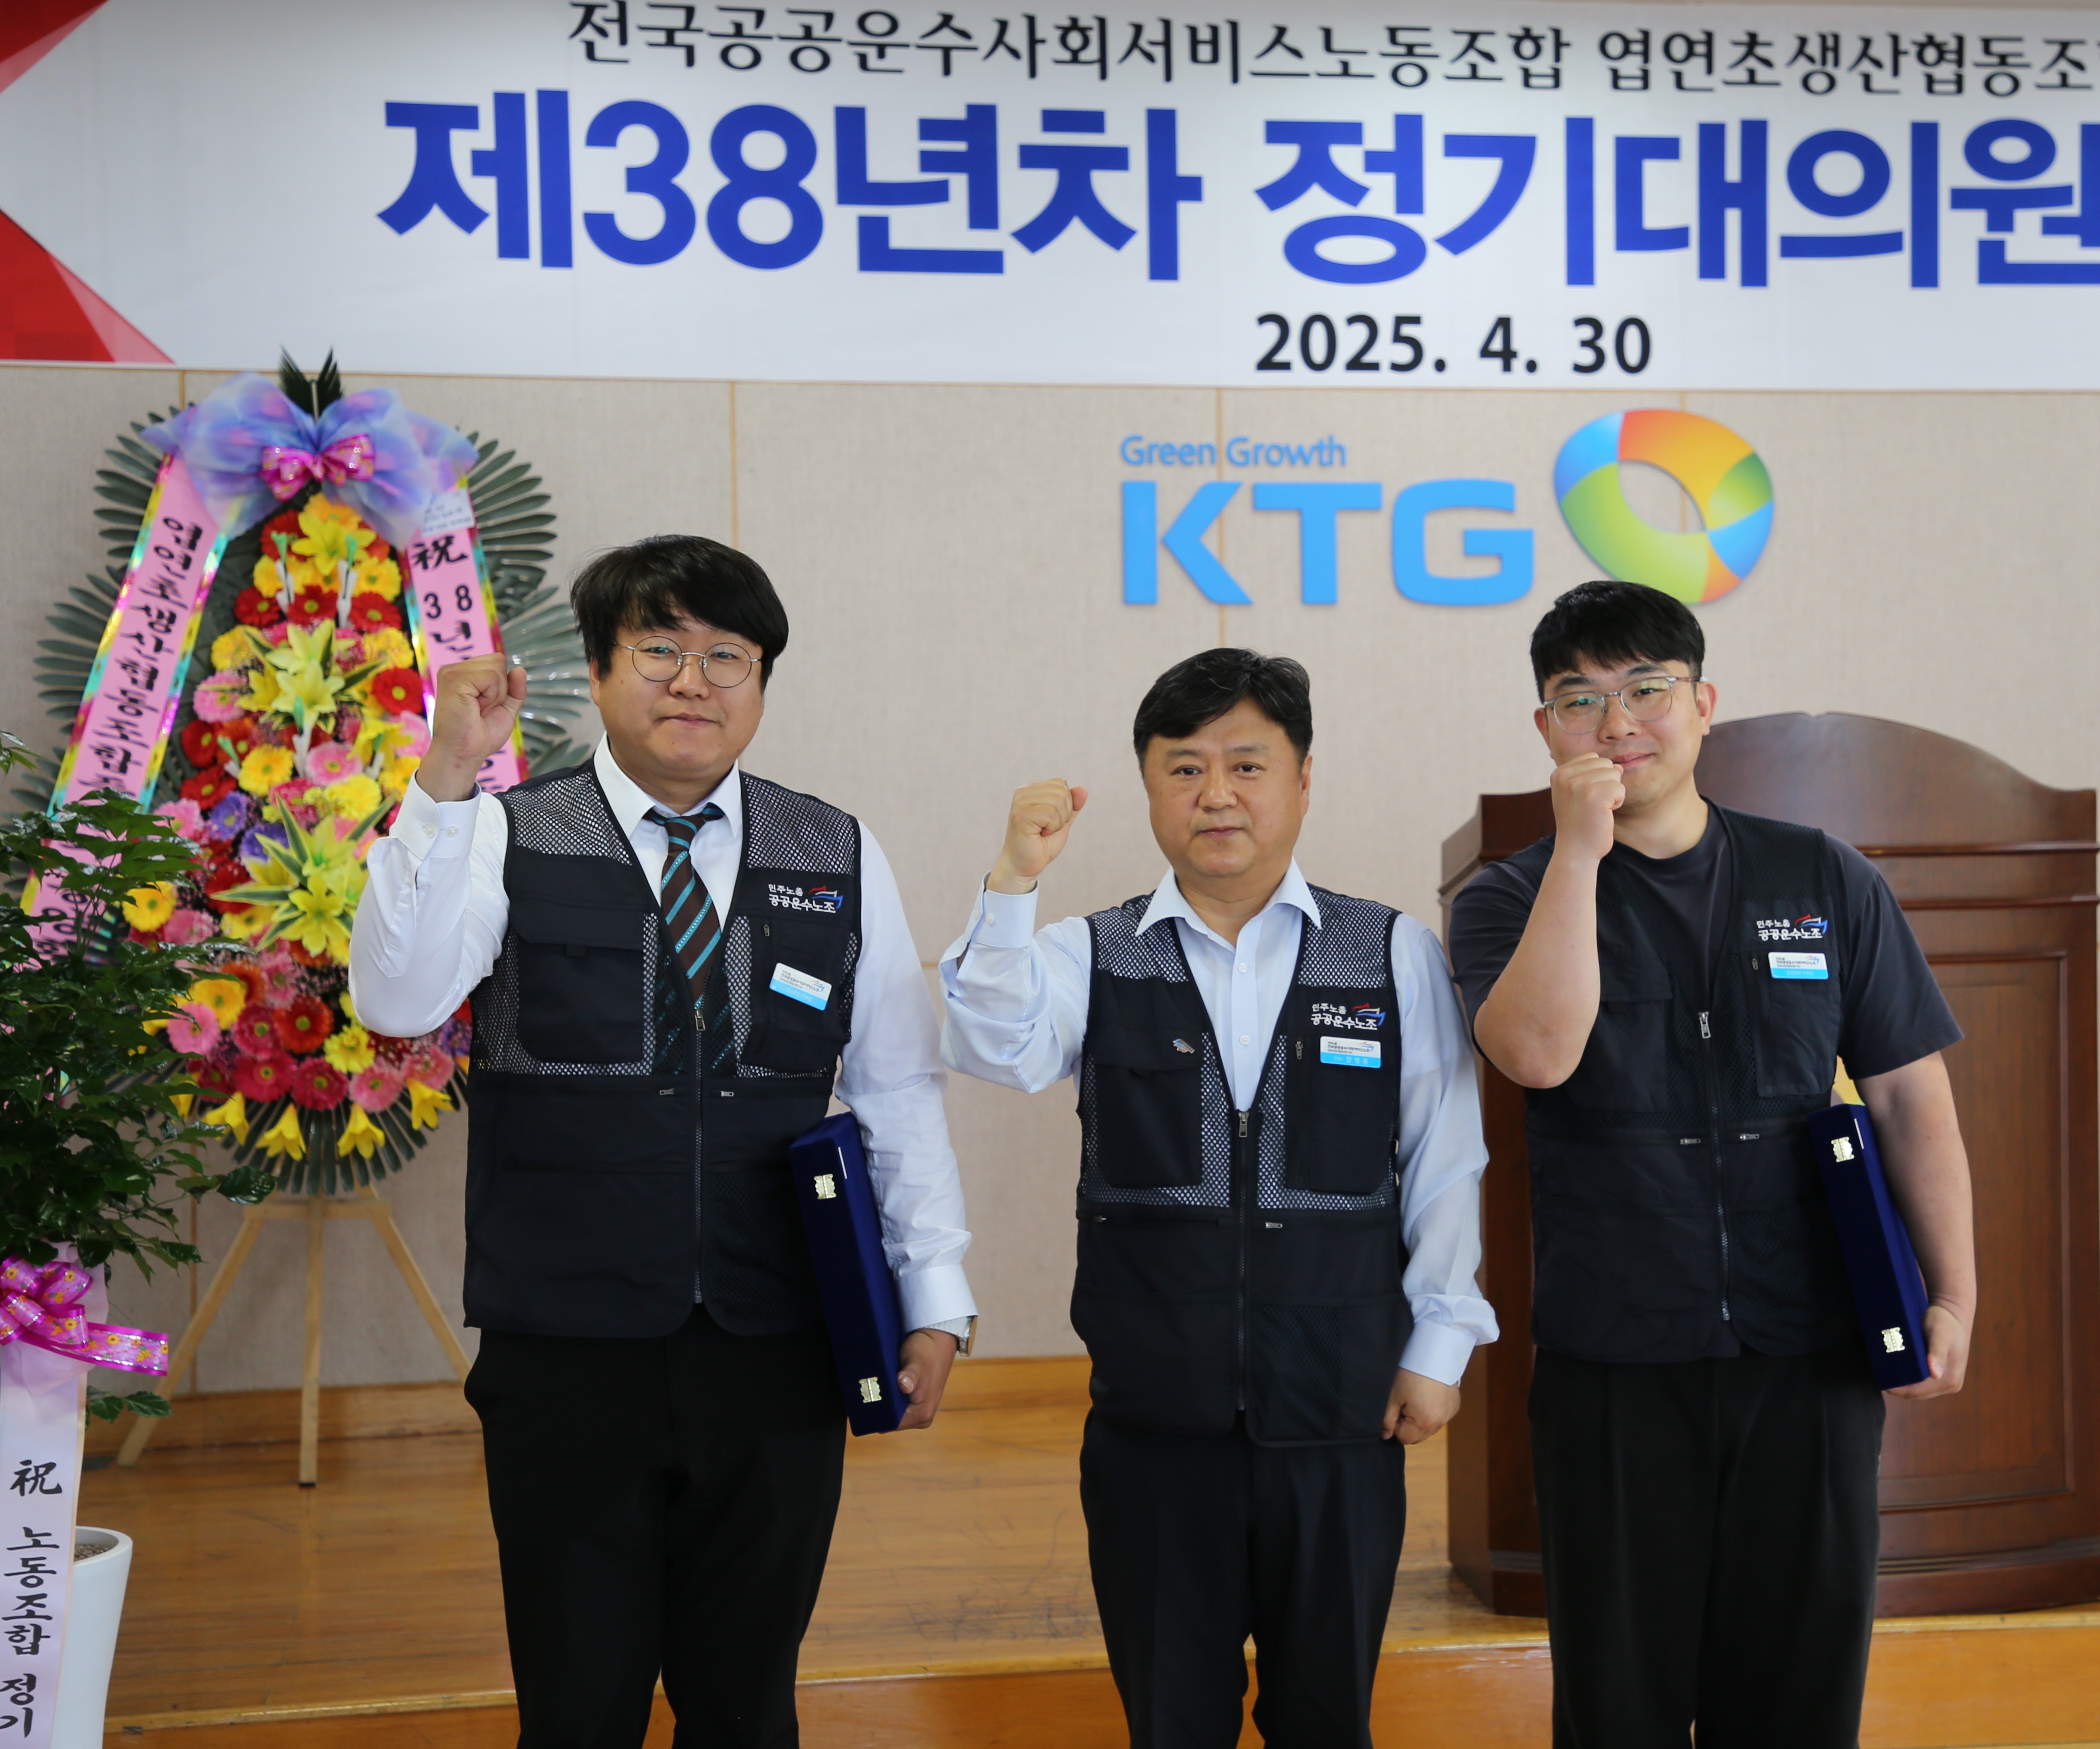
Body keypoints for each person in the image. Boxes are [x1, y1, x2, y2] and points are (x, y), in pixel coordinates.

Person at [349, 534, 977, 1749]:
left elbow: (896, 1086)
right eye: (658, 651)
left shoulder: (833, 851)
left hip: (777, 1338)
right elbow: (397, 999)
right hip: (567, 1347)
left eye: (726, 656)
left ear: (762, 683)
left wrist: (934, 1295)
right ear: (597, 670)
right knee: (578, 1704)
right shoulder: (504, 831)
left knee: (747, 1704)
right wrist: (444, 778)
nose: (694, 681)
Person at [1446, 581, 1976, 1749]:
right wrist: (1579, 855)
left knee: (1800, 1695)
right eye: (1580, 699)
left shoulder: (1822, 877)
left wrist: (1953, 1291)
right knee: (1619, 1704)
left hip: (1810, 1349)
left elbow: (1908, 1095)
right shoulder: (1507, 897)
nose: (1617, 722)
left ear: (1704, 703)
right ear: (1546, 729)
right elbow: (1536, 1054)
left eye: (1647, 689)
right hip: (1616, 1361)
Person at [937, 648, 1496, 1749]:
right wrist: (1011, 882)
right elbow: (993, 1044)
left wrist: (1440, 1345)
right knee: (1170, 1722)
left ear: (1302, 780)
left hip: (1339, 1416)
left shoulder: (1389, 952)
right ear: (1149, 787)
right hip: (1154, 1421)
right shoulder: (1088, 952)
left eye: (1248, 765)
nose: (1217, 795)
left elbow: (1445, 1154)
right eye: (1184, 769)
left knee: (1326, 1720)